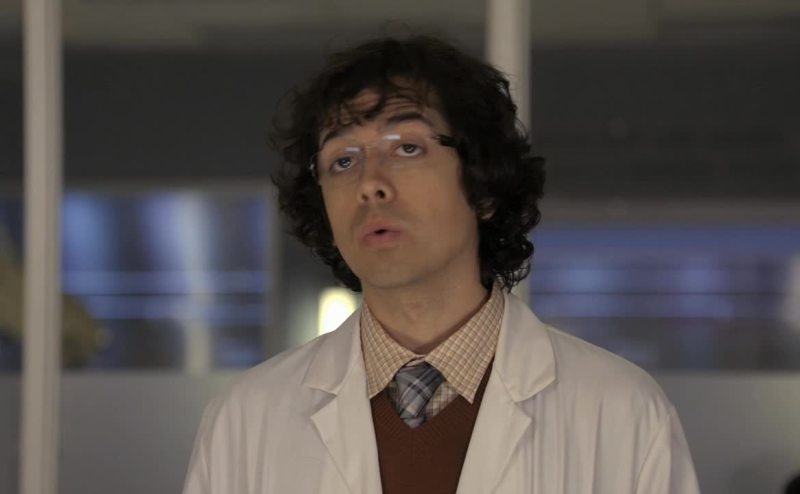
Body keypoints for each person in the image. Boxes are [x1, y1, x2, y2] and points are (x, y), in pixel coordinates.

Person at [183, 36, 700, 493]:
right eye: (343, 160)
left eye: (407, 148)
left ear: (483, 186)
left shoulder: (621, 412)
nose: (370, 183)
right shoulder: (247, 419)